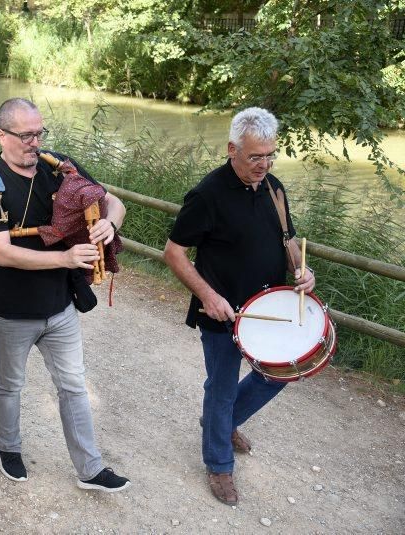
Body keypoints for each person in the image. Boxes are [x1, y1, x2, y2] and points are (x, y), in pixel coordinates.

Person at [0, 98, 130, 492]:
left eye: (39, 133)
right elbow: (1, 252)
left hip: (60, 306)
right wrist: (66, 257)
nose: (34, 143)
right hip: (11, 309)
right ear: (2, 136)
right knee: (11, 383)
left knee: (74, 384)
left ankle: (90, 469)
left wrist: (109, 224)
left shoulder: (60, 167)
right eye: (25, 135)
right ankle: (8, 448)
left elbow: (114, 202)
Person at [163, 107, 316, 506]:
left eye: (270, 155)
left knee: (277, 375)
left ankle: (223, 423)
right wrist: (208, 296)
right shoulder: (207, 195)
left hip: (271, 309)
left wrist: (303, 271)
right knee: (222, 386)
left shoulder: (273, 189)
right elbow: (174, 253)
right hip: (222, 313)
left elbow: (289, 242)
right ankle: (218, 463)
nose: (263, 165)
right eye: (254, 157)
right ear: (232, 149)